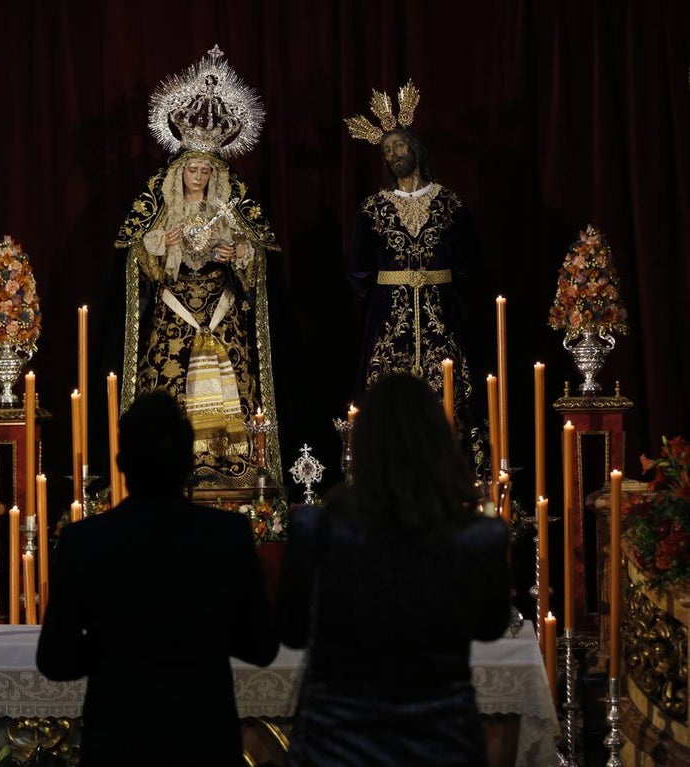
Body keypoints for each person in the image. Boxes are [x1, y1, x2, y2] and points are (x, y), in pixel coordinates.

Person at [275, 372, 511, 766]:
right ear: (439, 444)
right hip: (442, 745)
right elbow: (490, 628)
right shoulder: (479, 538)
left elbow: (292, 633)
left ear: (363, 447)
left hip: (335, 746)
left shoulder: (318, 529)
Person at [36, 389, 279, 767]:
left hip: (119, 742)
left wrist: (115, 642)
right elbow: (261, 647)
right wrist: (202, 633)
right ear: (187, 462)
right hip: (203, 740)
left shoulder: (85, 541)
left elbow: (54, 658)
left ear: (120, 463)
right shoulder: (226, 534)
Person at [113, 44, 286, 496]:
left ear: (214, 174)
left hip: (221, 307)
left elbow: (258, 251)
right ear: (179, 171)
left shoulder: (227, 209)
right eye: (190, 168)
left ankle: (233, 473)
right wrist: (159, 246)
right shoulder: (161, 210)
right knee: (171, 383)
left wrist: (239, 253)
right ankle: (171, 470)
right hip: (175, 310)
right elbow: (137, 261)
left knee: (231, 388)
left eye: (204, 170)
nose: (196, 176)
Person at [344, 80, 488, 477]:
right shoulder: (372, 209)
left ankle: (453, 474)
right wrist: (383, 295)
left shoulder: (449, 203)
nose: (392, 155)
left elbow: (469, 263)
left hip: (442, 313)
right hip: (390, 317)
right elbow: (357, 269)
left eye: (398, 146)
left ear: (416, 148)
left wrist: (444, 290)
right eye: (386, 151)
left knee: (452, 391)